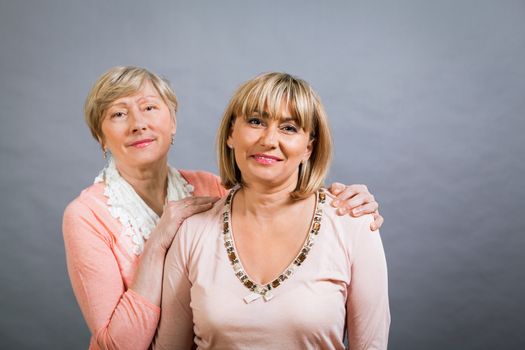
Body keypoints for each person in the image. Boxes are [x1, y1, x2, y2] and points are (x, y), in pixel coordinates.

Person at [62, 66, 384, 350]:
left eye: (149, 107)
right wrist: (160, 240)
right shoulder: (88, 216)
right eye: (118, 113)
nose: (138, 124)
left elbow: (269, 186)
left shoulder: (209, 189)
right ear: (100, 135)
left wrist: (345, 203)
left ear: (172, 122)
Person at [155, 72, 390, 349]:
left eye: (289, 128)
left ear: (308, 148)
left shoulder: (353, 225)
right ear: (231, 133)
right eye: (256, 121)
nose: (269, 139)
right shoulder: (192, 232)